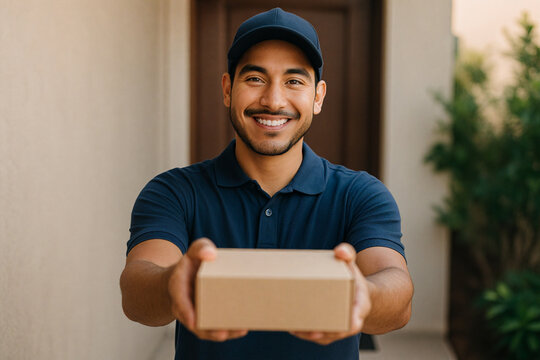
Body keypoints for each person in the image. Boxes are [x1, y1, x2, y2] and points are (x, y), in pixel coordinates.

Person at [120, 7, 413, 360]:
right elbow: (136, 291)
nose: (273, 101)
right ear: (228, 89)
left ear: (318, 96)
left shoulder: (361, 195)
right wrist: (174, 283)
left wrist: (366, 295)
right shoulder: (174, 192)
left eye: (294, 81)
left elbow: (396, 292)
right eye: (255, 78)